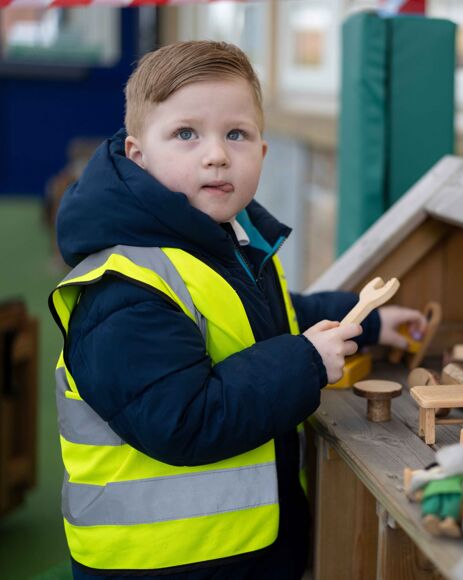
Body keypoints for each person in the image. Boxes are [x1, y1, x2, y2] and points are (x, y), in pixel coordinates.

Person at [49, 40, 426, 579]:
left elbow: (268, 321)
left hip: (239, 550)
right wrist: (305, 362)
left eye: (236, 134)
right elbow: (182, 419)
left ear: (262, 153)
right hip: (166, 563)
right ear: (138, 154)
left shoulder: (226, 241)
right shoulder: (124, 288)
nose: (216, 155)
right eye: (186, 133)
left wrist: (367, 321)